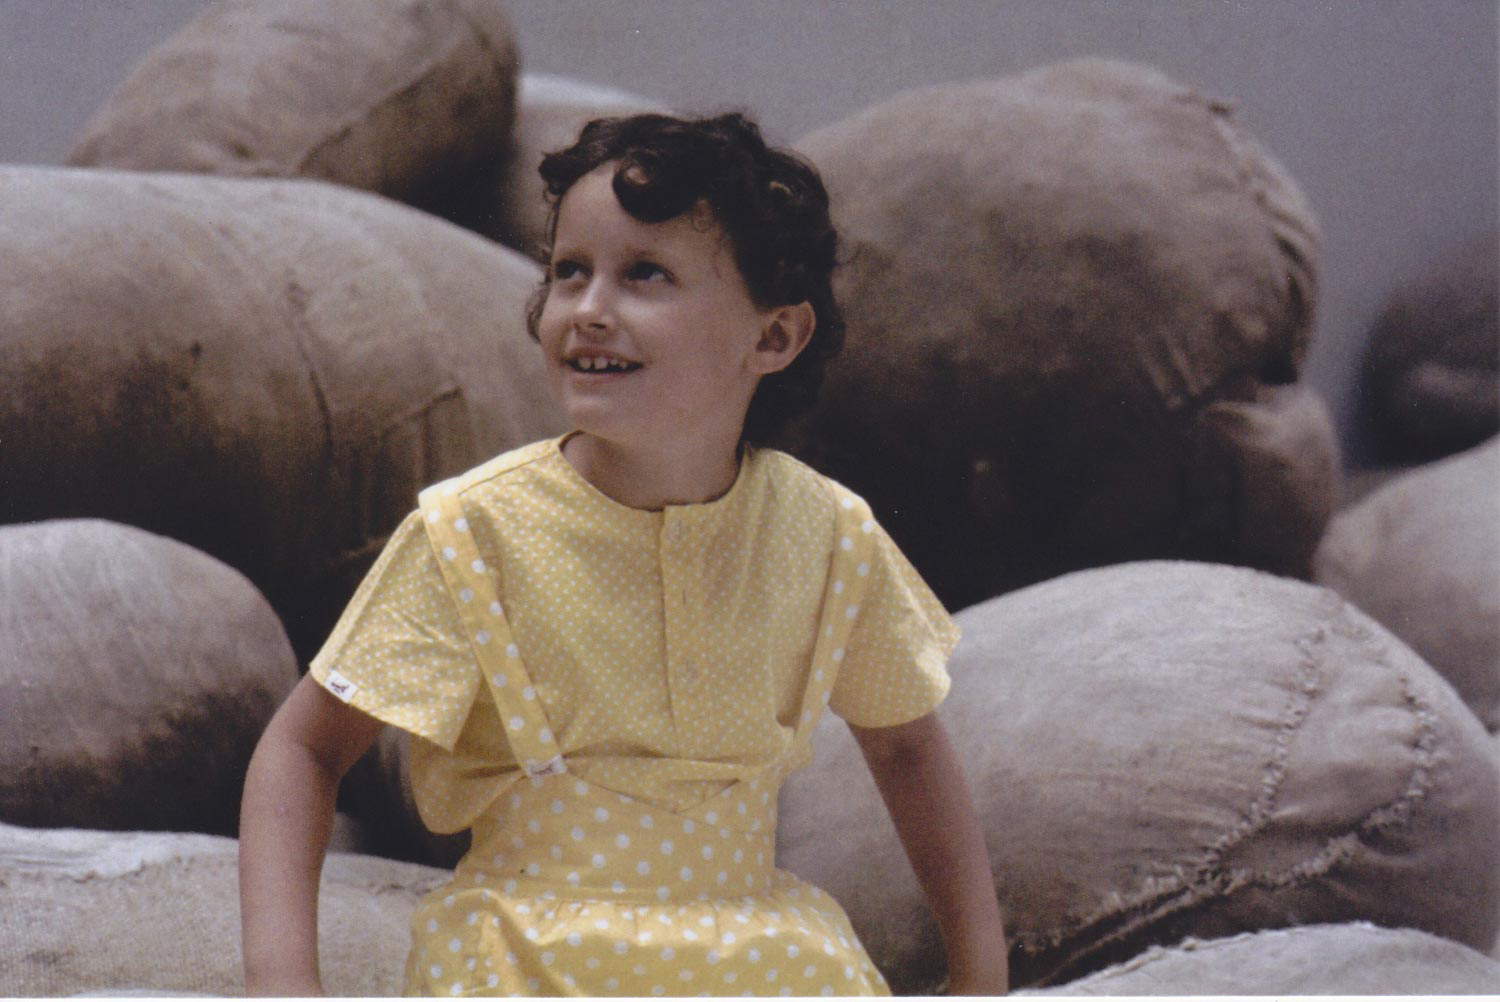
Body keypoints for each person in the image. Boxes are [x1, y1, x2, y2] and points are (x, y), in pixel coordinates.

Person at [239, 111, 1007, 997]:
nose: (589, 311)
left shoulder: (826, 536)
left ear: (773, 338)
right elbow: (303, 751)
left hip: (767, 965)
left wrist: (980, 976)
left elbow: (908, 748)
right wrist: (283, 986)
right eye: (570, 272)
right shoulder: (475, 535)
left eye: (645, 274)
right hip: (525, 965)